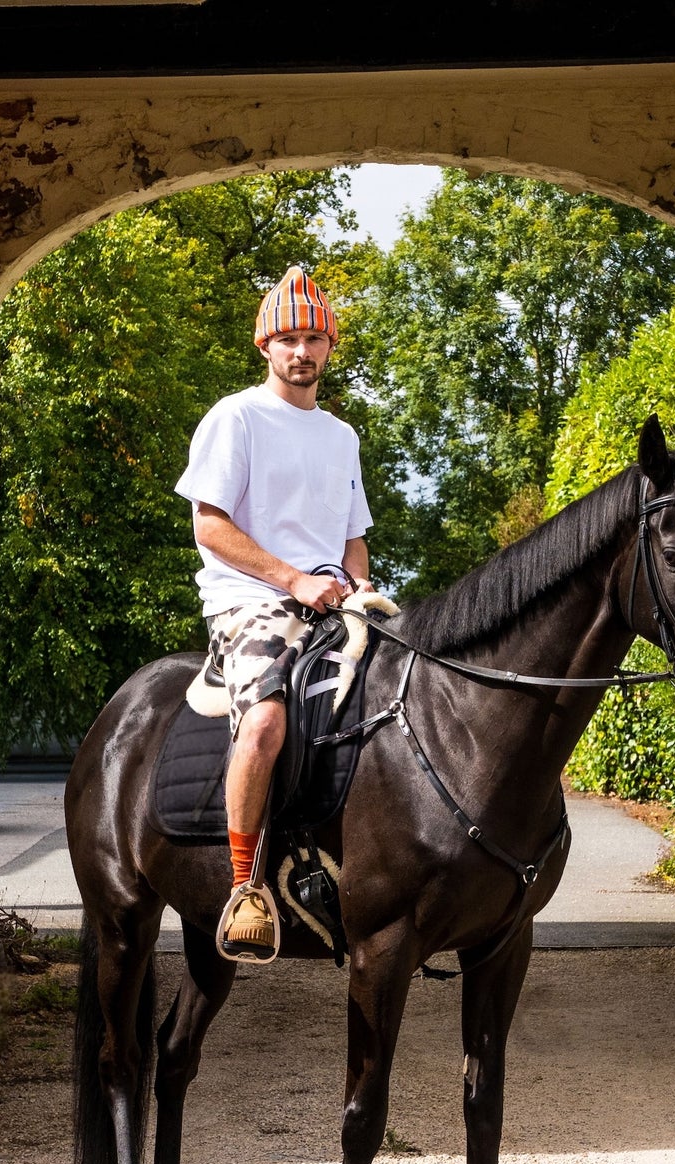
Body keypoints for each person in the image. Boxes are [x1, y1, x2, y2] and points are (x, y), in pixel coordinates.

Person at [175, 266, 374, 962]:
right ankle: (245, 888)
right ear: (265, 345)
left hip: (332, 603)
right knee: (263, 722)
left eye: (314, 337)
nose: (302, 351)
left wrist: (357, 586)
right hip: (252, 603)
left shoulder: (342, 437)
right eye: (288, 337)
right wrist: (292, 578)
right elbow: (210, 525)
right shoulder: (236, 417)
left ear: (330, 346)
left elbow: (354, 538)